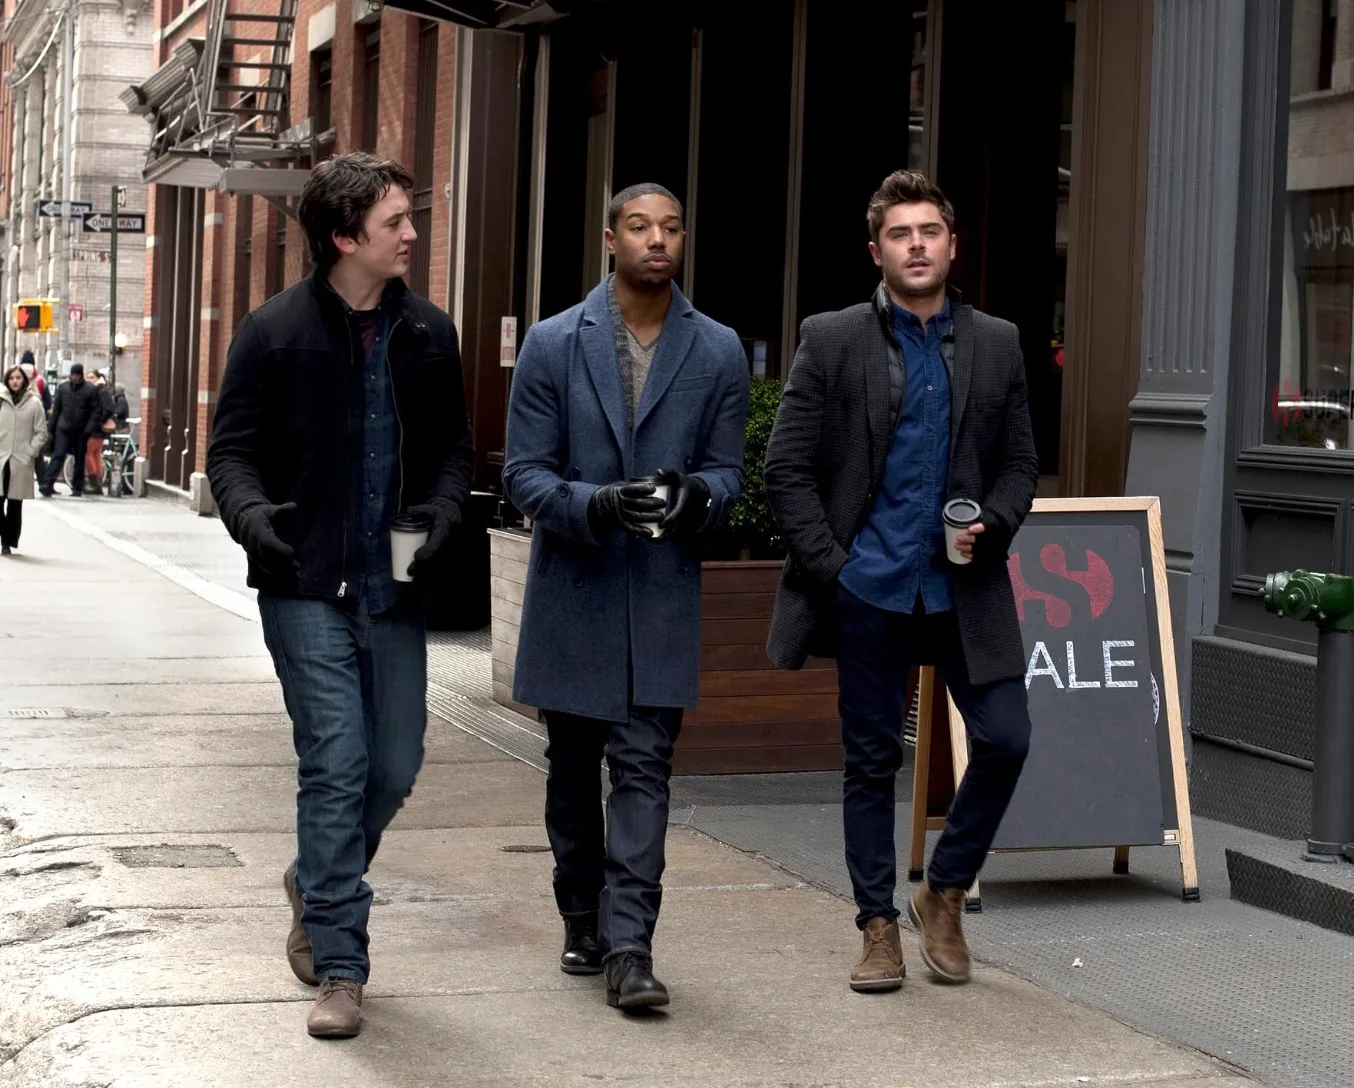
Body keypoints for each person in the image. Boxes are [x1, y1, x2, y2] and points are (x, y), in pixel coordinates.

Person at [207, 152, 474, 1039]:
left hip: (394, 583)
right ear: (343, 236)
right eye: (395, 221)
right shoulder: (272, 330)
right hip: (303, 582)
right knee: (337, 763)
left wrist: (440, 511)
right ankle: (342, 963)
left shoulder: (430, 334)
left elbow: (450, 452)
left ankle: (313, 880)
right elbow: (231, 453)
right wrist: (252, 517)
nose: (410, 233)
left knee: (394, 765)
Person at [763, 170, 1039, 993]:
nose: (916, 246)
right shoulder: (834, 337)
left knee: (1008, 737)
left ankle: (944, 889)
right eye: (900, 234)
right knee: (869, 763)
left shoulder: (998, 342)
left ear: (952, 245)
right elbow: (787, 468)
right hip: (871, 590)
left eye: (930, 232)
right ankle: (876, 927)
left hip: (964, 587)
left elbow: (1022, 462)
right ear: (876, 250)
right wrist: (834, 570)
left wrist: (997, 518)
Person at [503, 182, 749, 1012]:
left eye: (672, 228)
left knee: (645, 768)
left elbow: (727, 473)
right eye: (641, 227)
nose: (658, 240)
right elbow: (524, 473)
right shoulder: (551, 343)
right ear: (610, 237)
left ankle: (631, 949)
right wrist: (593, 504)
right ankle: (582, 916)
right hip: (575, 589)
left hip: (661, 593)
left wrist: (697, 500)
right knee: (572, 773)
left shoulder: (715, 349)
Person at [0, 365, 48, 554]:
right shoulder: (1, 400)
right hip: (1, 459)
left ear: (24, 380)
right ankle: (5, 534)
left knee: (14, 504)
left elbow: (41, 432)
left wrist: (30, 451)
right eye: (11, 378)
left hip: (20, 460)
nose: (15, 381)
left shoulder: (34, 403)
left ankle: (7, 542)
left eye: (18, 378)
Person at [40, 363, 102, 497]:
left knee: (79, 458)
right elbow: (57, 409)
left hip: (81, 430)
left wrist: (89, 429)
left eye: (77, 375)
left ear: (81, 375)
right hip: (63, 428)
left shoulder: (89, 390)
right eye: (72, 375)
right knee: (58, 454)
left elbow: (96, 411)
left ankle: (77, 487)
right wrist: (51, 427)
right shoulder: (63, 388)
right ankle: (47, 484)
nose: (74, 377)